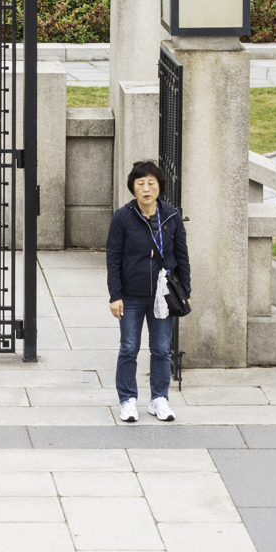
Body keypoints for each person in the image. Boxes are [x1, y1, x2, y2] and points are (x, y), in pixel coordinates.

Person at [104, 159, 188, 423]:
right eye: (141, 183)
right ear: (133, 188)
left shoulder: (172, 216)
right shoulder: (123, 216)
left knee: (161, 349)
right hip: (130, 294)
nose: (146, 188)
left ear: (159, 186)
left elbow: (182, 255)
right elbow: (113, 257)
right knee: (129, 347)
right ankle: (127, 400)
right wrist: (114, 295)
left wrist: (185, 289)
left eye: (151, 183)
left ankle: (159, 399)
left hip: (164, 295)